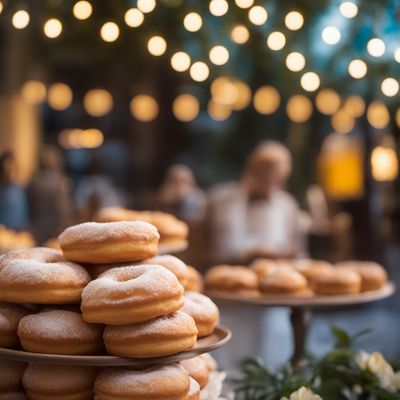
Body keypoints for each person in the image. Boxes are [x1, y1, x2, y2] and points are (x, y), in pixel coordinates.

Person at [208, 140, 302, 264]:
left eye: (277, 180)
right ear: (251, 172)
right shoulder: (225, 198)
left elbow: (297, 251)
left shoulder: (288, 205)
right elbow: (221, 248)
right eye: (265, 175)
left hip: (277, 269)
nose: (271, 182)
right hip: (233, 267)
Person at [27, 146, 73, 243]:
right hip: (56, 227)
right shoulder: (60, 181)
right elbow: (63, 209)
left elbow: (29, 205)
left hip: (37, 226)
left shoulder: (33, 180)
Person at [0, 151, 28, 230]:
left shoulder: (19, 187)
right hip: (4, 229)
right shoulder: (3, 189)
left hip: (19, 229)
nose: (9, 168)